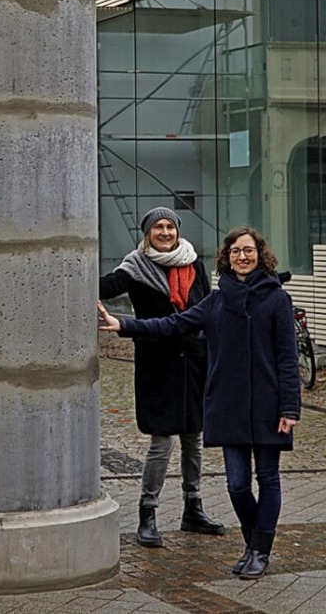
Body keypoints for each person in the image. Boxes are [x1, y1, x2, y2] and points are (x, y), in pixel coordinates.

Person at [99, 225, 300, 579]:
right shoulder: (218, 300)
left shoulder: (277, 299)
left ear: (260, 255)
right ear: (227, 258)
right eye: (236, 251)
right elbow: (174, 323)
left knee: (267, 478)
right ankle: (255, 543)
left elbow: (287, 357)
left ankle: (259, 550)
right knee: (236, 484)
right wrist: (125, 325)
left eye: (249, 250)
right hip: (228, 404)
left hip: (269, 405)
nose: (242, 256)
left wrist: (290, 408)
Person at [99, 207, 224, 547]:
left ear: (178, 230)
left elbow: (203, 307)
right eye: (158, 227)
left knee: (193, 437)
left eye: (170, 226)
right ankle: (148, 513)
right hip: (158, 361)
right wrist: (73, 279)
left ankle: (193, 508)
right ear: (147, 233)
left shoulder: (194, 262)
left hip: (194, 361)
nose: (165, 232)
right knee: (162, 440)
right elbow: (107, 286)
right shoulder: (135, 266)